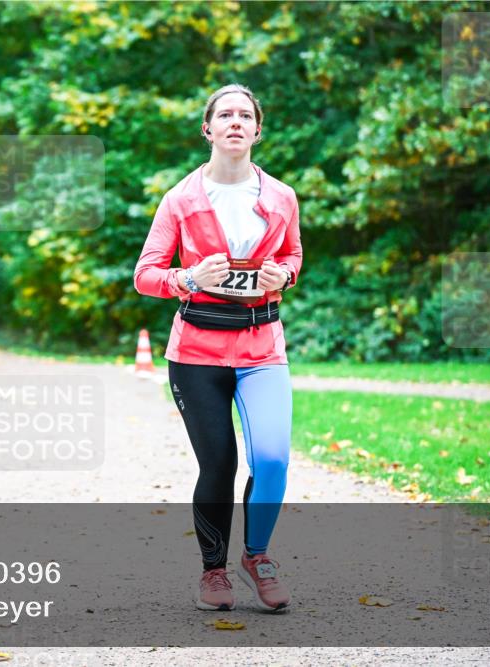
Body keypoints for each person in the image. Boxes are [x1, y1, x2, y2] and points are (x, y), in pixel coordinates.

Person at [134, 84, 302, 613]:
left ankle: (257, 556)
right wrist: (187, 277)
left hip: (262, 348)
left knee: (272, 458)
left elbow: (294, 254)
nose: (235, 122)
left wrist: (284, 273)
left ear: (257, 129)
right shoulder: (180, 199)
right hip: (196, 354)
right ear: (207, 129)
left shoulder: (281, 197)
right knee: (219, 464)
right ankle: (214, 572)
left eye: (245, 115)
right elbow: (145, 275)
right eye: (224, 114)